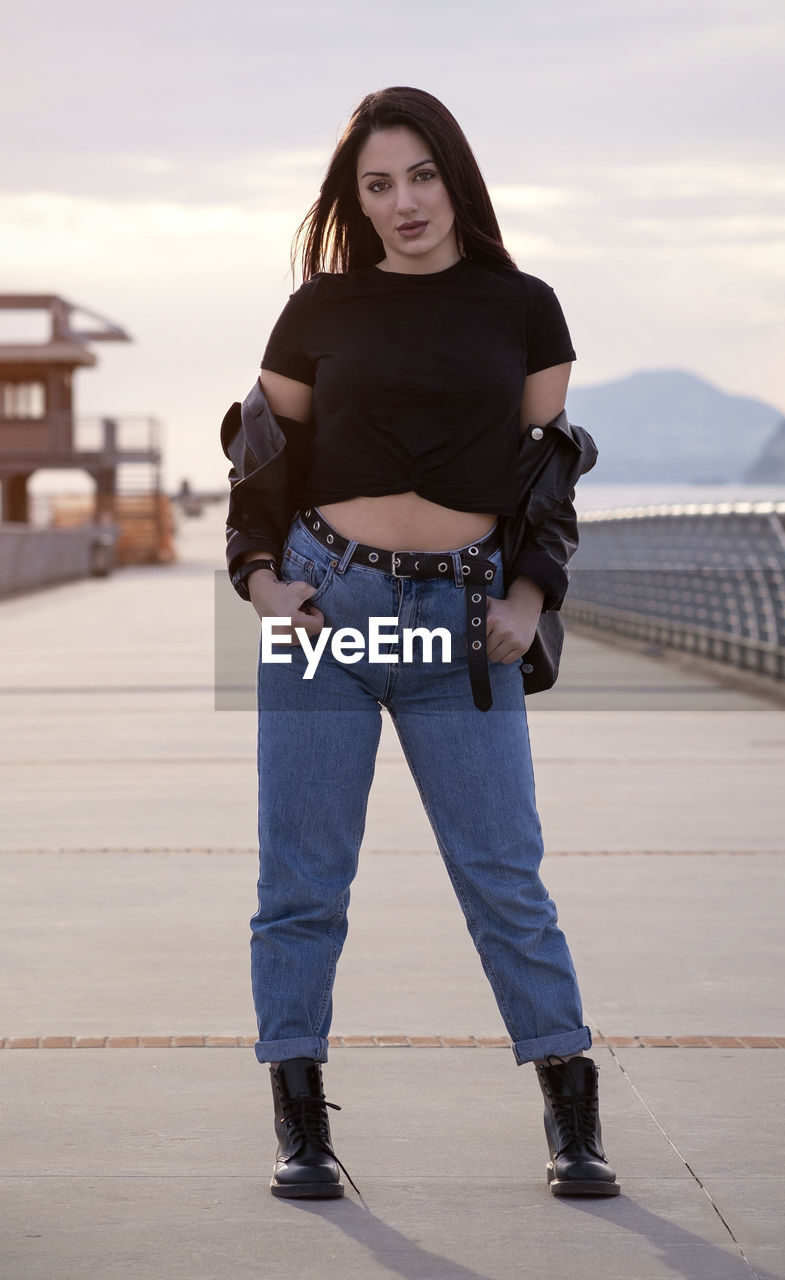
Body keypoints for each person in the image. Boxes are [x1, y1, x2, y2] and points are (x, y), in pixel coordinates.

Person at [222, 86, 618, 1201]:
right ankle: (300, 1122)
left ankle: (569, 1109)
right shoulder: (317, 311)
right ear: (355, 201)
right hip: (322, 610)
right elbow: (260, 458)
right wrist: (258, 579)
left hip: (464, 622)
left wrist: (534, 592)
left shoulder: (526, 311)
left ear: (457, 176)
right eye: (378, 185)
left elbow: (546, 477)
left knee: (504, 875)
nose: (404, 203)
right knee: (299, 878)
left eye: (422, 176)